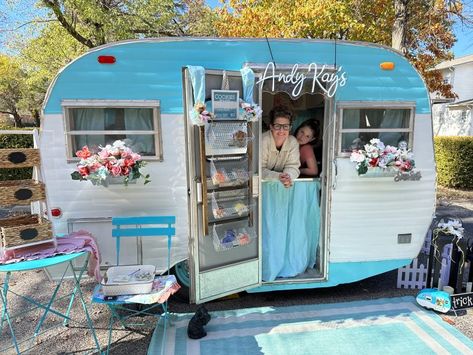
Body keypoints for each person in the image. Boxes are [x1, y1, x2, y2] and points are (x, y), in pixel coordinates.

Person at [262, 106, 300, 187]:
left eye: (285, 126)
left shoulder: (293, 142)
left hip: (282, 186)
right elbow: (259, 170)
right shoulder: (263, 141)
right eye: (277, 126)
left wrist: (288, 176)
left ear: (290, 128)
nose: (281, 130)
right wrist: (278, 176)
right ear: (271, 126)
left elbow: (293, 166)